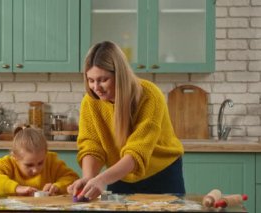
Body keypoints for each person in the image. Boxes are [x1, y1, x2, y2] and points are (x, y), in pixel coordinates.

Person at [67, 41, 185, 201]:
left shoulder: (150, 96)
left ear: (120, 75)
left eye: (103, 79)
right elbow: (91, 145)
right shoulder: (90, 102)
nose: (96, 87)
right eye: (91, 80)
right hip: (119, 175)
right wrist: (89, 178)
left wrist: (102, 179)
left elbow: (137, 150)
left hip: (162, 175)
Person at [0, 126, 79, 197]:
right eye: (29, 165)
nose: (35, 170)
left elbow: (73, 178)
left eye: (40, 163)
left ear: (45, 154)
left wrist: (58, 186)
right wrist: (16, 188)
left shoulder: (51, 160)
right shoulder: (7, 163)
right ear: (15, 157)